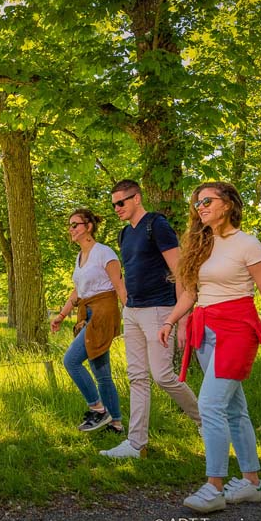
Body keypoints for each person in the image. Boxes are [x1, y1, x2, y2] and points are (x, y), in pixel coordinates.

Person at [158, 182, 261, 513]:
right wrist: (171, 321)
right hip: (205, 331)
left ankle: (214, 488)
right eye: (197, 203)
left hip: (237, 331)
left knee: (210, 406)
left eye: (207, 200)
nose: (200, 207)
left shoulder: (248, 244)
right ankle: (251, 482)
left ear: (228, 204)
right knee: (234, 409)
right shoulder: (202, 244)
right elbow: (191, 293)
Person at [100, 180, 201, 459]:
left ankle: (205, 421)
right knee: (137, 377)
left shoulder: (156, 225)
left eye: (121, 202)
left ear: (137, 198)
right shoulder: (124, 234)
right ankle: (136, 444)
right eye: (113, 204)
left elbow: (180, 272)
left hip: (159, 310)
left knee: (163, 376)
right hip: (132, 311)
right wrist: (126, 304)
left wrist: (182, 318)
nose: (117, 208)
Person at [51, 208, 127, 433]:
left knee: (71, 361)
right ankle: (116, 424)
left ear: (89, 227)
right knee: (102, 373)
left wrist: (131, 315)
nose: (71, 229)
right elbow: (78, 291)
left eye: (75, 224)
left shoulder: (104, 253)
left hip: (103, 313)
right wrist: (61, 315)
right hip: (88, 313)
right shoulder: (80, 257)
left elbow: (119, 286)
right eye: (70, 225)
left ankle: (98, 409)